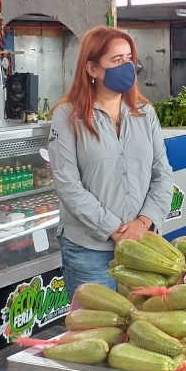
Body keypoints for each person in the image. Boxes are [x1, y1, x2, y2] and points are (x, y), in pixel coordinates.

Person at [49, 26, 174, 295]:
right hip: (89, 251)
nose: (127, 67)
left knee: (142, 329)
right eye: (116, 60)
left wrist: (143, 223)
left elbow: (162, 173)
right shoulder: (67, 117)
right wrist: (115, 230)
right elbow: (68, 185)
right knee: (96, 332)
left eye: (129, 59)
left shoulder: (145, 113)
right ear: (92, 68)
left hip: (143, 247)